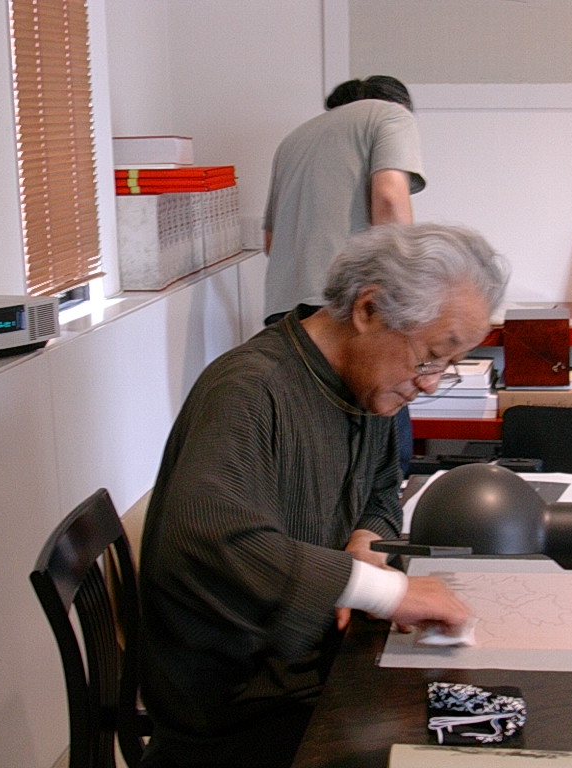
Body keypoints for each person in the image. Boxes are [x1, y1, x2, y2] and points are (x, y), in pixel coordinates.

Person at [137, 223, 509, 768]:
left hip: (316, 666)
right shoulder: (248, 389)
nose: (431, 382)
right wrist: (384, 591)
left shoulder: (367, 383)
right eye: (431, 357)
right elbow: (210, 540)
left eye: (447, 367)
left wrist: (366, 546)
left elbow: (382, 489)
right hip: (244, 705)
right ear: (368, 310)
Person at [262, 75, 425, 326]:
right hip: (348, 302)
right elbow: (389, 200)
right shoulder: (391, 115)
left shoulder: (292, 140)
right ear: (399, 104)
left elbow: (271, 242)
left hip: (283, 312)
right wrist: (403, 285)